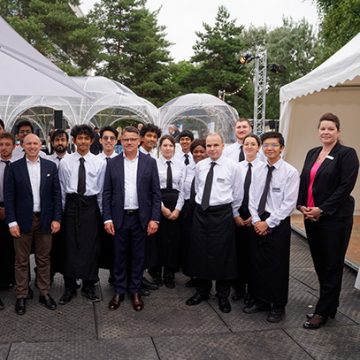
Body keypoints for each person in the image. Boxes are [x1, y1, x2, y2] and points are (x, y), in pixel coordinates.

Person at [297, 113, 359, 329]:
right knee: (320, 264)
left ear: (338, 132)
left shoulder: (347, 154)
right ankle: (329, 305)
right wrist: (301, 204)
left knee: (332, 265)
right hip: (311, 217)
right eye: (322, 128)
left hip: (334, 219)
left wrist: (322, 210)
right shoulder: (313, 153)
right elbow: (304, 181)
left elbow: (345, 187)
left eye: (330, 129)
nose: (326, 132)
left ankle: (322, 311)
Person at [103, 126, 161, 312]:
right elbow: (107, 193)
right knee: (119, 256)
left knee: (138, 256)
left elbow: (155, 193)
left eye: (132, 139)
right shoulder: (112, 163)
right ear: (121, 141)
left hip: (140, 218)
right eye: (126, 139)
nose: (129, 142)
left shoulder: (149, 163)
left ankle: (135, 290)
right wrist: (107, 219)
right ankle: (119, 290)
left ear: (139, 141)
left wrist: (155, 218)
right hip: (119, 218)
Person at [244, 131, 299, 323]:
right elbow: (252, 197)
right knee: (257, 262)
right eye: (266, 145)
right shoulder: (258, 169)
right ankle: (261, 300)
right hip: (259, 219)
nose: (269, 148)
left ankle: (277, 305)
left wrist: (268, 223)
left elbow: (289, 203)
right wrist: (257, 219)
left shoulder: (290, 172)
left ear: (282, 148)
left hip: (278, 222)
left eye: (274, 145)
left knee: (277, 265)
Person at [4, 134, 62, 315]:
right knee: (21, 261)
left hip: (44, 220)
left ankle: (44, 293)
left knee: (43, 259)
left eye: (35, 143)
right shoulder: (14, 168)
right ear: (22, 145)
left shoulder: (50, 166)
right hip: (21, 221)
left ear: (41, 145)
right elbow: (9, 197)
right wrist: (12, 222)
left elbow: (56, 196)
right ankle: (21, 295)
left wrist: (56, 218)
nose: (32, 146)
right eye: (28, 143)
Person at [186, 132, 243, 313]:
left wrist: (232, 213)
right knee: (200, 252)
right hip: (201, 213)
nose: (211, 149)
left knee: (222, 255)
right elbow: (198, 189)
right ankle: (202, 291)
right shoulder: (200, 166)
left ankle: (222, 295)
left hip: (222, 214)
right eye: (209, 146)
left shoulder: (233, 167)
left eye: (215, 145)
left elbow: (238, 194)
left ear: (222, 146)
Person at [58, 125, 106, 305]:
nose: (83, 141)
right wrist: (61, 214)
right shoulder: (65, 162)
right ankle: (69, 286)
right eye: (80, 138)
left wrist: (103, 215)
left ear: (92, 140)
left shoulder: (99, 162)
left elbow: (101, 191)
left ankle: (89, 284)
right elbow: (62, 189)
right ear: (74, 140)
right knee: (70, 246)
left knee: (90, 247)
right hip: (71, 205)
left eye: (87, 138)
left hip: (90, 206)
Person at [149, 135, 186, 288]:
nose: (168, 148)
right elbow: (153, 189)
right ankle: (156, 271)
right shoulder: (154, 164)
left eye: (170, 145)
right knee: (158, 240)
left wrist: (177, 209)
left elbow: (183, 190)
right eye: (164, 145)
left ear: (174, 147)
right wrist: (162, 208)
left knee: (173, 240)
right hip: (159, 202)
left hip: (176, 203)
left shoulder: (181, 165)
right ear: (160, 148)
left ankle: (170, 273)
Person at [231, 134, 264, 302]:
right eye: (246, 144)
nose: (249, 146)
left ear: (258, 147)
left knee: (253, 255)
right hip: (237, 215)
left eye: (253, 144)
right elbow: (231, 191)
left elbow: (264, 195)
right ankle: (238, 287)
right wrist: (235, 214)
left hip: (256, 216)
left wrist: (255, 216)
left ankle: (253, 290)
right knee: (237, 253)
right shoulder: (236, 167)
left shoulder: (264, 168)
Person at [180, 139, 207, 287]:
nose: (199, 154)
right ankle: (192, 274)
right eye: (195, 152)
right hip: (187, 209)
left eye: (202, 151)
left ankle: (202, 278)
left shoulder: (210, 168)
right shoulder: (187, 168)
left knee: (200, 244)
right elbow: (182, 188)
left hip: (201, 209)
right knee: (189, 244)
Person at [97, 126, 119, 285]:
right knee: (97, 246)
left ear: (116, 141)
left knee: (116, 246)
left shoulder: (121, 160)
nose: (109, 141)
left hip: (117, 210)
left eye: (112, 138)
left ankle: (115, 275)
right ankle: (92, 278)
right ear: (100, 141)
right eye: (106, 138)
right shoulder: (94, 160)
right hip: (96, 209)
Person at [0, 133, 17, 309]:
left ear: (14, 146)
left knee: (13, 249)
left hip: (14, 211)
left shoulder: (17, 166)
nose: (4, 147)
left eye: (7, 144)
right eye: (1, 144)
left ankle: (11, 280)